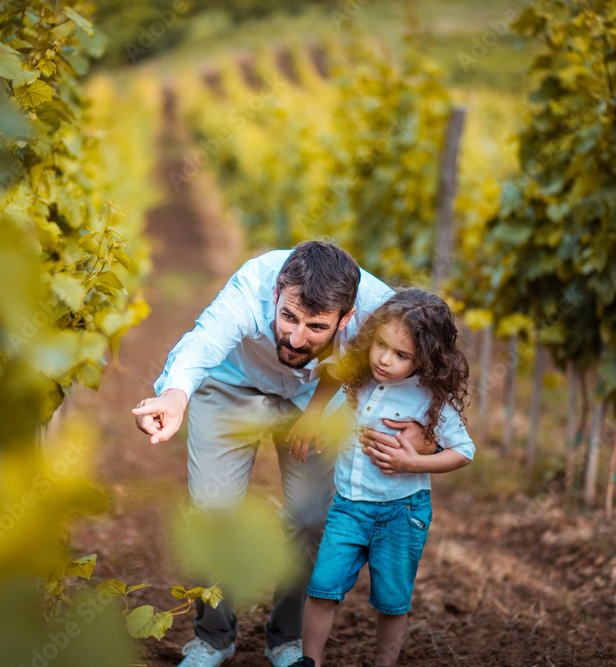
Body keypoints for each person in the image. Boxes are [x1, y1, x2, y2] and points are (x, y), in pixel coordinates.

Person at [132, 241, 436, 667]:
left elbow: (431, 358)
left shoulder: (379, 308)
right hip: (231, 385)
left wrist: (428, 423)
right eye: (288, 316)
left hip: (319, 399)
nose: (295, 337)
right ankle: (213, 639)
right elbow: (203, 342)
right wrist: (176, 397)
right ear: (275, 295)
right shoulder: (252, 285)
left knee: (314, 519)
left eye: (316, 327)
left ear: (347, 319)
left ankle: (287, 639)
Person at [285, 288, 474, 667]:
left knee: (392, 601)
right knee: (322, 587)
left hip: (402, 514)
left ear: (426, 358)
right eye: (380, 346)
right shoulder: (360, 379)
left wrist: (414, 464)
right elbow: (333, 387)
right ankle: (310, 661)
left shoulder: (428, 398)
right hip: (348, 507)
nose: (385, 360)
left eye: (401, 355)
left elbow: (464, 451)